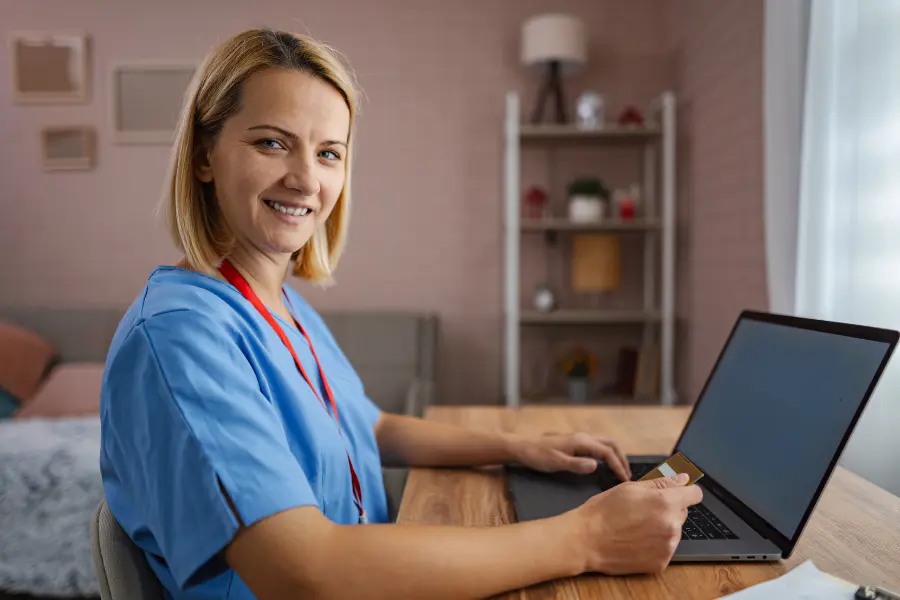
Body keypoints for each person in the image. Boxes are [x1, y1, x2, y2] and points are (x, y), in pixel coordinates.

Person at [99, 27, 702, 600]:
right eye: (271, 142)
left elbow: (369, 425)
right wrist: (586, 537)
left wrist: (518, 447)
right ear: (205, 157)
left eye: (329, 153)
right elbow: (303, 573)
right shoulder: (182, 336)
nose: (306, 178)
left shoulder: (281, 305)